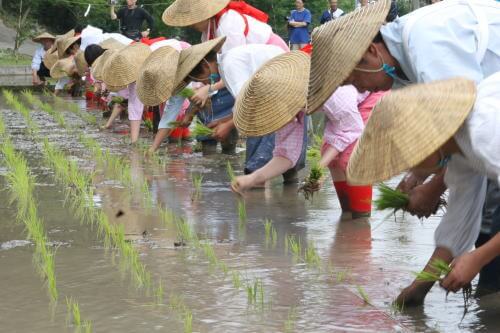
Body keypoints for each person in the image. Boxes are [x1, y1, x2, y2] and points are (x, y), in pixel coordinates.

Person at [307, 0, 500, 305]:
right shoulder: (456, 130)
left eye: (355, 78)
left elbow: (462, 134)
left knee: (492, 221)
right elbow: (461, 209)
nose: (361, 89)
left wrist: (478, 256)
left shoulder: (431, 49)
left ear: (372, 51)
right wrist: (419, 289)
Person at [346, 74, 500, 298]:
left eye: (409, 158)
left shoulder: (485, 136)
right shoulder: (460, 149)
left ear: (426, 142)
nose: (411, 167)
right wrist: (418, 289)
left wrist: (479, 257)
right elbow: (459, 221)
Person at [231, 50, 386, 219]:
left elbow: (352, 129)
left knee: (350, 157)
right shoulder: (288, 108)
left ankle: (361, 219)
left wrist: (318, 169)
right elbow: (286, 156)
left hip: (372, 95)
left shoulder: (332, 91)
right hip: (347, 109)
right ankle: (348, 216)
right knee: (331, 155)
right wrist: (252, 179)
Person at [101, 42, 152, 143]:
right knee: (136, 104)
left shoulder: (142, 65)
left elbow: (133, 106)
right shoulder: (131, 76)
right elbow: (130, 105)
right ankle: (138, 138)